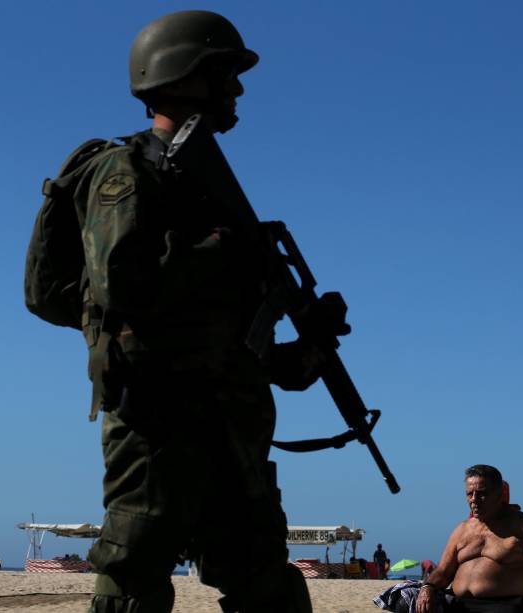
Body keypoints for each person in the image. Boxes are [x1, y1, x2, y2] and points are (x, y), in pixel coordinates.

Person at [67, 10, 349, 613]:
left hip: (232, 433)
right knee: (132, 585)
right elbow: (119, 283)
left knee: (267, 588)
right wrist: (225, 251)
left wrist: (310, 345)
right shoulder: (126, 172)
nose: (237, 89)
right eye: (225, 73)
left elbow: (247, 352)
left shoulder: (208, 187)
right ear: (182, 76)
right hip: (158, 427)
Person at [417, 464, 523, 613]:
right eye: (469, 494)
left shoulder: (520, 526)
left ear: (500, 493)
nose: (474, 499)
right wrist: (427, 587)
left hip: (505, 607)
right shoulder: (462, 529)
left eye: (481, 493)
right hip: (459, 605)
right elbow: (443, 571)